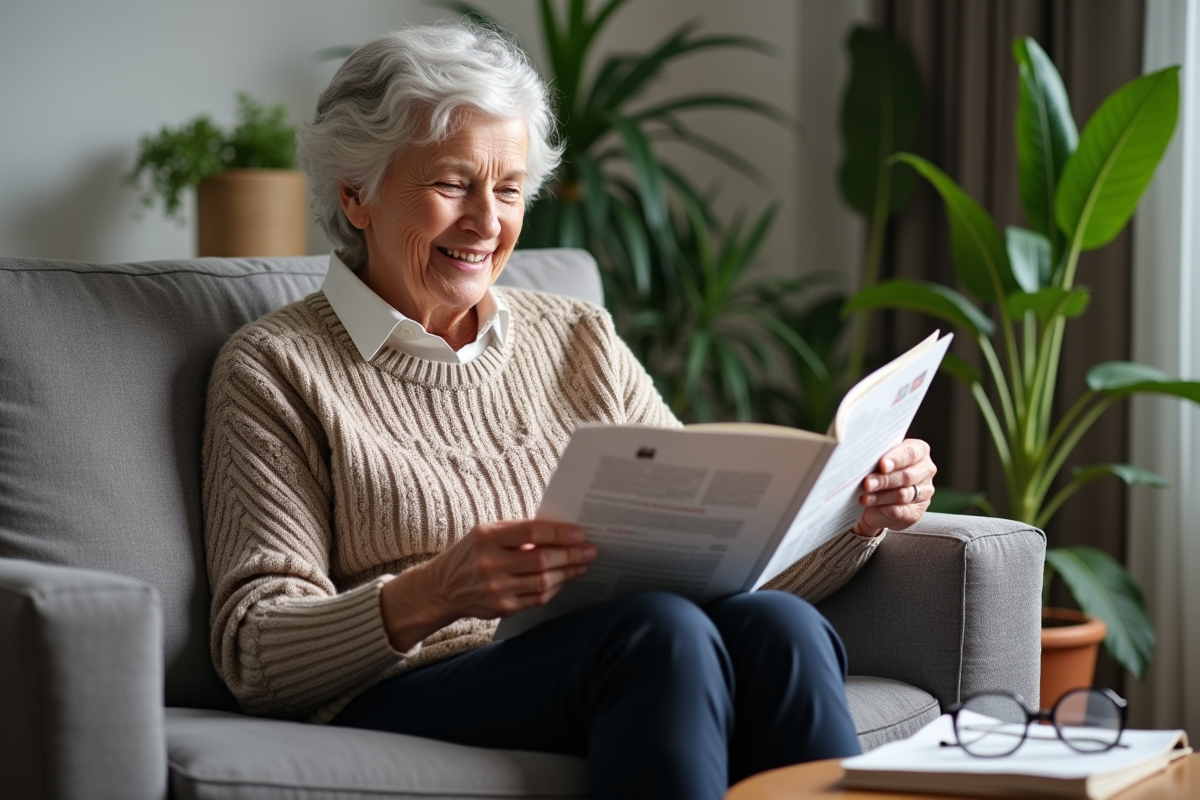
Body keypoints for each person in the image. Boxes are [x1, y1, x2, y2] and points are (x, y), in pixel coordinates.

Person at [202, 21, 937, 800]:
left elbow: (722, 561)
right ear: (357, 192)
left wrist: (855, 515)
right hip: (405, 685)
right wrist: (435, 591)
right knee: (660, 634)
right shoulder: (275, 368)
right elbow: (254, 651)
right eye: (453, 184)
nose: (488, 221)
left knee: (780, 632)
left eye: (510, 188)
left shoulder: (577, 336)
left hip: (605, 651)